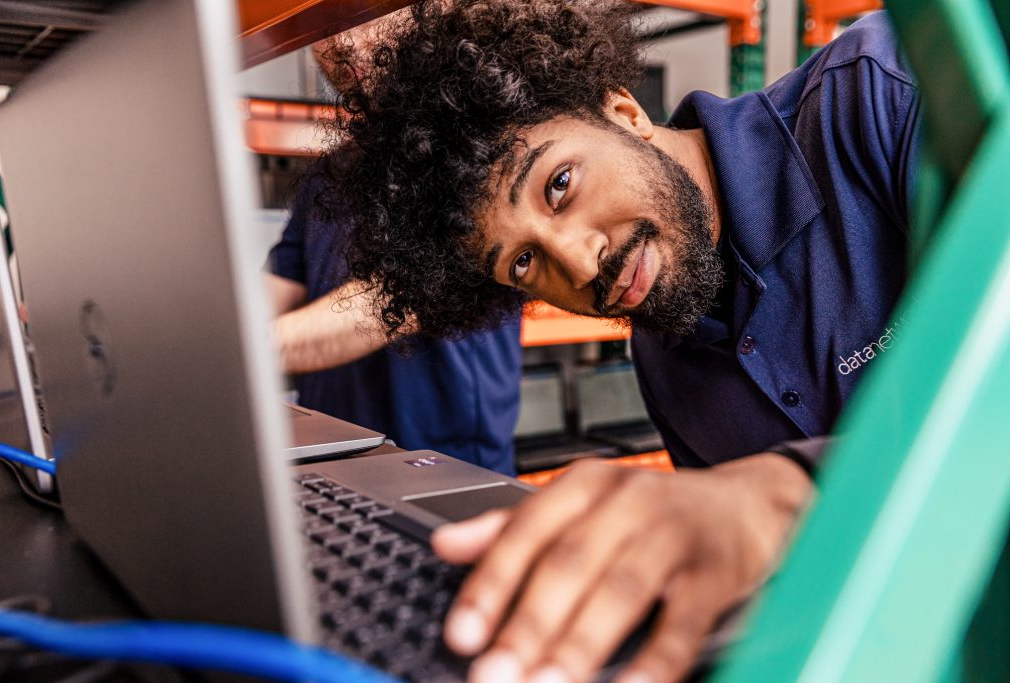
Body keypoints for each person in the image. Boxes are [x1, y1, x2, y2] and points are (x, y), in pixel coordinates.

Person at [323, 1, 922, 682]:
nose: (578, 266)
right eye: (523, 263)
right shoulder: (663, 359)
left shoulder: (887, 94)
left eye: (560, 185)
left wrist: (776, 496)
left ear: (624, 112)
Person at [265, 18, 522, 476]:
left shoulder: (472, 150)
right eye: (321, 24)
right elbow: (280, 283)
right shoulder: (329, 174)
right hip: (329, 461)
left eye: (362, 13)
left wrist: (237, 355)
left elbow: (394, 302)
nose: (340, 40)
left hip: (441, 471)